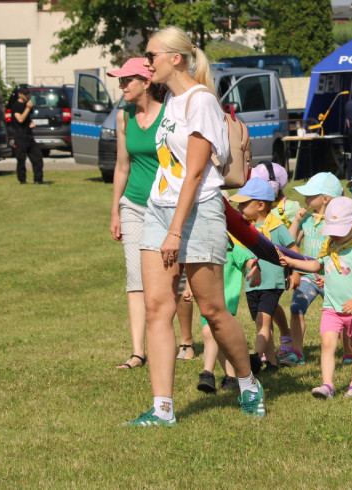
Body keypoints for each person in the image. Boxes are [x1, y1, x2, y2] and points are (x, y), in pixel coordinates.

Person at [127, 26, 263, 427]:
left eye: (150, 55)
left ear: (175, 59)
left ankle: (248, 382)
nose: (145, 62)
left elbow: (196, 171)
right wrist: (162, 220)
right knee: (157, 308)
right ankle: (163, 408)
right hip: (159, 209)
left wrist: (175, 230)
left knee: (214, 311)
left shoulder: (201, 102)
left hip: (198, 213)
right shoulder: (169, 100)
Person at [108, 58, 167, 370]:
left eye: (127, 79)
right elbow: (122, 165)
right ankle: (137, 352)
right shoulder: (123, 116)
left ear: (146, 82)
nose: (122, 86)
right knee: (135, 277)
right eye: (120, 80)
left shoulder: (169, 114)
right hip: (133, 204)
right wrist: (116, 209)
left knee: (172, 278)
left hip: (165, 206)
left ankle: (183, 341)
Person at [287, 197, 352, 399]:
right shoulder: (329, 246)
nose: (334, 234)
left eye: (339, 230)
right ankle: (327, 385)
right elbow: (316, 266)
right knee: (327, 344)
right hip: (331, 308)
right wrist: (292, 261)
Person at [229, 177, 296, 371]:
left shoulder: (276, 226)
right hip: (252, 285)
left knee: (262, 321)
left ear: (260, 205)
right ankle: (273, 363)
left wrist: (296, 272)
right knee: (262, 325)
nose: (239, 207)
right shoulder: (242, 229)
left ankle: (256, 357)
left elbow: (292, 248)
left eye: (244, 203)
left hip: (272, 282)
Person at [287, 172, 344, 366]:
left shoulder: (338, 221)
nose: (305, 199)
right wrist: (296, 220)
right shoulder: (307, 220)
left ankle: (349, 352)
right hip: (308, 275)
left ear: (326, 199)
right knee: (296, 308)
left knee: (342, 312)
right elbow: (291, 241)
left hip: (332, 276)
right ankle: (297, 352)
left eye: (311, 196)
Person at [196, 236, 259, 394]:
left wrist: (255, 267)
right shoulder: (203, 246)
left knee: (208, 332)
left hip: (225, 301)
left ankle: (207, 373)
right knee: (221, 340)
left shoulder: (232, 247)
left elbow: (249, 260)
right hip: (206, 300)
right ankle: (231, 377)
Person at [8, 84, 44, 185]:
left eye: (28, 93)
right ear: (20, 94)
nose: (27, 96)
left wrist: (31, 123)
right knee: (21, 159)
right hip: (20, 136)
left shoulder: (27, 104)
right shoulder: (16, 106)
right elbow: (20, 119)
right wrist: (27, 108)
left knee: (37, 157)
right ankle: (22, 180)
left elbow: (27, 119)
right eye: (25, 94)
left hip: (29, 135)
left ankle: (38, 180)